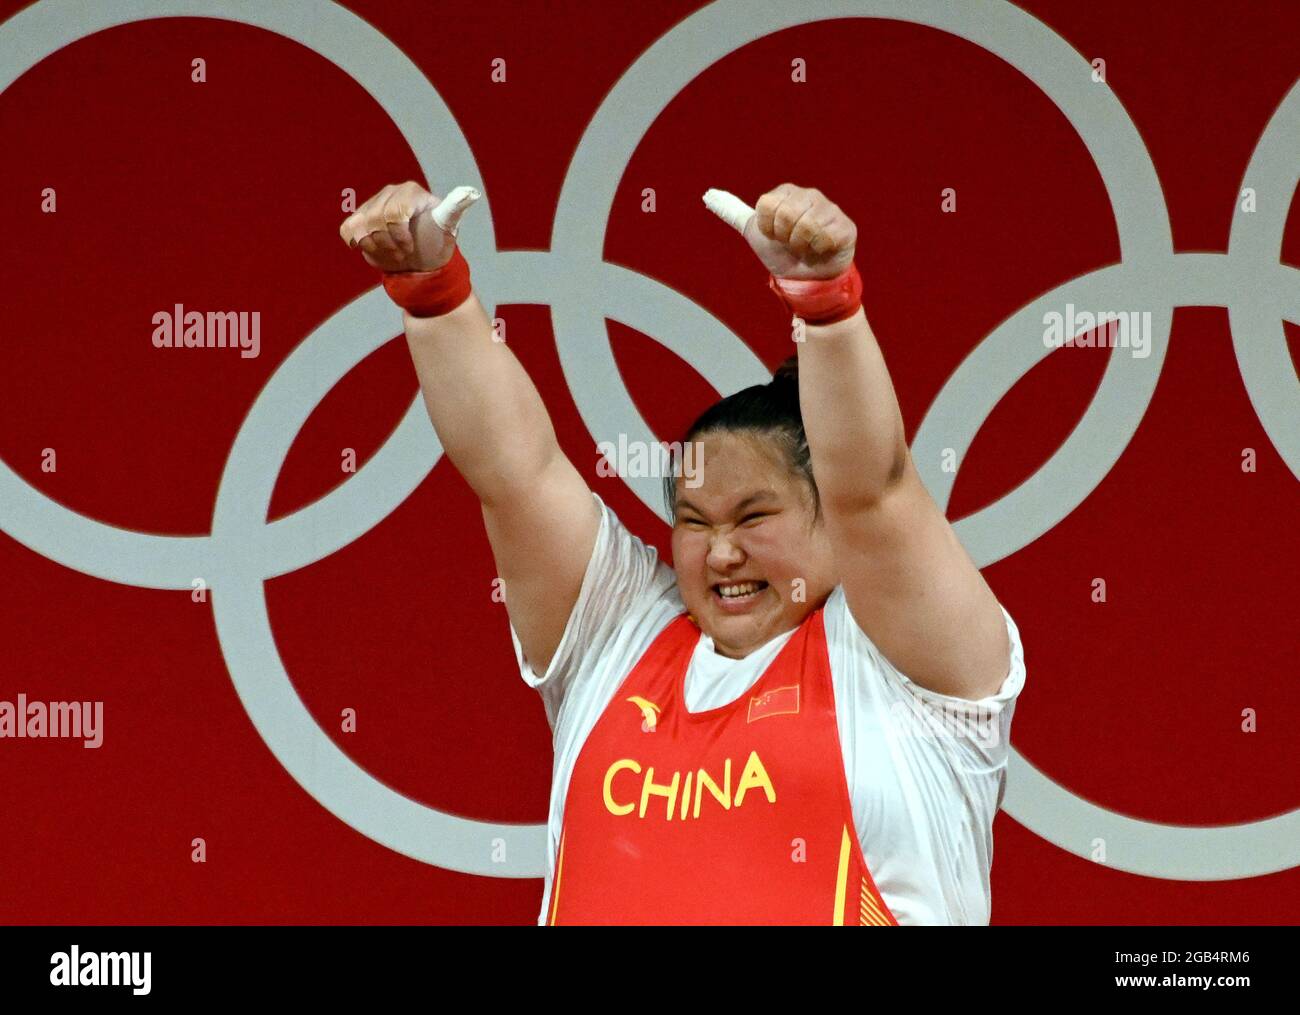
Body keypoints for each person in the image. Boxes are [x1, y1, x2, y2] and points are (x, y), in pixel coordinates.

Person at [339, 180, 1027, 925]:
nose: (722, 552)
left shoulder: (914, 671)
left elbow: (877, 491)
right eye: (694, 521)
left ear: (833, 521)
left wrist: (829, 308)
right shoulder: (618, 632)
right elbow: (516, 474)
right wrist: (433, 294)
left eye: (753, 515)